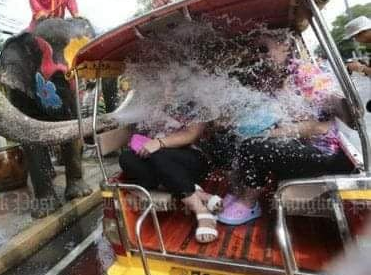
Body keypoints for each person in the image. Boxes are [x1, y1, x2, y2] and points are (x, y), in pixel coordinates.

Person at [217, 35, 356, 225]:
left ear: (285, 45)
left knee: (252, 145)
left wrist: (265, 134)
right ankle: (238, 190)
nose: (260, 56)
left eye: (264, 49)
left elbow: (316, 127)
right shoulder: (272, 76)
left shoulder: (305, 74)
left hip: (325, 155)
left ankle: (249, 202)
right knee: (229, 137)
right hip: (299, 145)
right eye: (257, 51)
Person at [119, 111, 222, 244]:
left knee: (158, 155)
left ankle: (202, 211)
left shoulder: (195, 99)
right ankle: (197, 193)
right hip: (158, 158)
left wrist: (160, 142)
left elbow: (192, 134)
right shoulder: (149, 99)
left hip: (192, 157)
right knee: (127, 158)